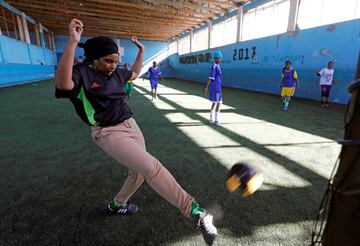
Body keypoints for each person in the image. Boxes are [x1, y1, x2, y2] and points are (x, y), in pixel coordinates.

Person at [54, 18, 217, 246]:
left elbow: (134, 72)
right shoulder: (82, 73)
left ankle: (116, 205)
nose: (113, 65)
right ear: (94, 59)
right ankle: (197, 213)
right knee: (151, 167)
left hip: (131, 125)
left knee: (138, 172)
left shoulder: (118, 73)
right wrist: (72, 41)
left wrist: (141, 49)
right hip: (107, 132)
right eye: (108, 61)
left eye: (115, 61)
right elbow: (63, 84)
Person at [204, 51, 222, 126]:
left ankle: (211, 119)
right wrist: (206, 87)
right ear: (216, 59)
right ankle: (216, 120)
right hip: (216, 88)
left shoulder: (217, 66)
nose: (220, 59)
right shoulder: (214, 67)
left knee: (214, 102)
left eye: (220, 58)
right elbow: (210, 78)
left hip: (217, 87)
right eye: (219, 58)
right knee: (218, 103)